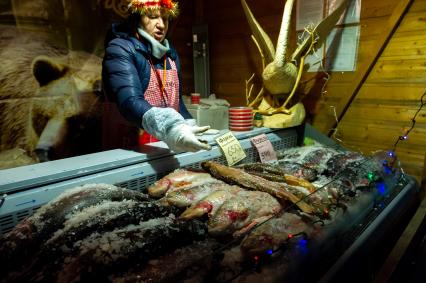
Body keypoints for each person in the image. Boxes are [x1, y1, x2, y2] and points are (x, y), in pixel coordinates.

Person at [102, 0, 211, 152]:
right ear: (137, 18)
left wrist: (189, 126)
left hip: (167, 143)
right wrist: (173, 128)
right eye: (152, 16)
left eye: (165, 18)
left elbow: (176, 102)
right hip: (132, 145)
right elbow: (130, 101)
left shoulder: (170, 54)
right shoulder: (120, 49)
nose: (161, 24)